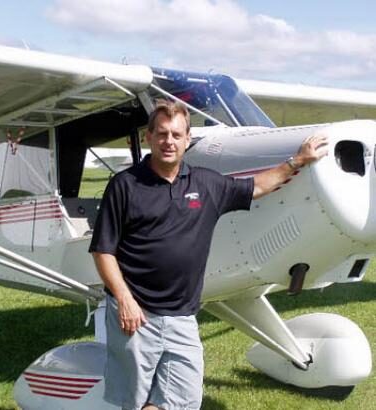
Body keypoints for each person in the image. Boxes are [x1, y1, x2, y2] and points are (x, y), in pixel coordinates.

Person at [89, 100, 328, 410]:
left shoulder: (205, 183)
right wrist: (125, 300)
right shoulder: (125, 185)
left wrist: (297, 161)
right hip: (136, 314)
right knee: (135, 402)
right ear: (149, 137)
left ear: (188, 139)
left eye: (177, 135)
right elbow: (103, 250)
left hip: (182, 316)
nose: (169, 142)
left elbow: (256, 187)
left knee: (183, 401)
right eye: (162, 134)